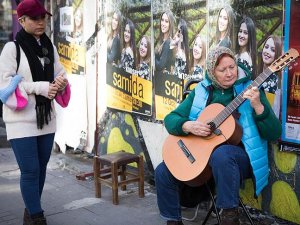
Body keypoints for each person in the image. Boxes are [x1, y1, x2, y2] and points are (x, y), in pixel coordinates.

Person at [155, 46, 281, 225]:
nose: (230, 73)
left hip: (241, 159)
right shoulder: (201, 91)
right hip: (204, 158)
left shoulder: (252, 90)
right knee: (162, 171)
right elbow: (170, 119)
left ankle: (229, 217)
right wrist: (187, 125)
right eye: (222, 70)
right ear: (212, 72)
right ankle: (173, 221)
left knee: (222, 155)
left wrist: (259, 107)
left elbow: (274, 133)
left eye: (232, 67)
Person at [0, 0, 70, 224]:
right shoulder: (12, 49)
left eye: (43, 17)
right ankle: (38, 217)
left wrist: (60, 82)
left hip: (46, 118)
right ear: (21, 21)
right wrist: (40, 86)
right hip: (21, 121)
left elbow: (60, 72)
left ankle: (31, 212)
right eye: (35, 18)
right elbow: (5, 86)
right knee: (30, 171)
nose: (41, 22)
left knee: (40, 171)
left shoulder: (49, 46)